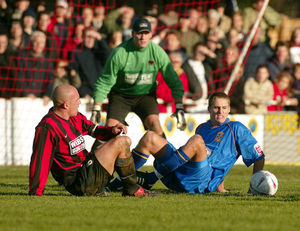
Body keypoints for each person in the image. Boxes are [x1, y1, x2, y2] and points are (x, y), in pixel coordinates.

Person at [108, 92, 265, 194]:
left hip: (201, 181)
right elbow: (216, 155)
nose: (220, 112)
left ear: (229, 109)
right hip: (181, 174)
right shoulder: (202, 128)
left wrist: (254, 187)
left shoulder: (236, 128)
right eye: (216, 108)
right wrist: (220, 187)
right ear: (209, 108)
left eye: (224, 108)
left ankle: (151, 179)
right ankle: (115, 183)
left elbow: (258, 157)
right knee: (150, 137)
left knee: (197, 141)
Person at [29, 84, 155, 197]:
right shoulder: (48, 126)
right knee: (122, 142)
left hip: (87, 170)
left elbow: (93, 129)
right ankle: (132, 188)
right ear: (65, 105)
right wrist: (36, 192)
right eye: (77, 100)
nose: (79, 103)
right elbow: (40, 160)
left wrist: (111, 130)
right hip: (78, 181)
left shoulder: (75, 117)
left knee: (123, 140)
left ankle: (125, 188)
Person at [91, 18, 186, 138]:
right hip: (121, 96)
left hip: (145, 96)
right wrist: (96, 107)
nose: (143, 37)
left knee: (154, 124)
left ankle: (167, 157)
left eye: (146, 33)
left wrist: (179, 107)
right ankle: (94, 156)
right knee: (110, 128)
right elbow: (105, 81)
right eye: (139, 33)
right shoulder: (119, 53)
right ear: (132, 34)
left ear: (151, 35)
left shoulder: (157, 53)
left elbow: (173, 81)